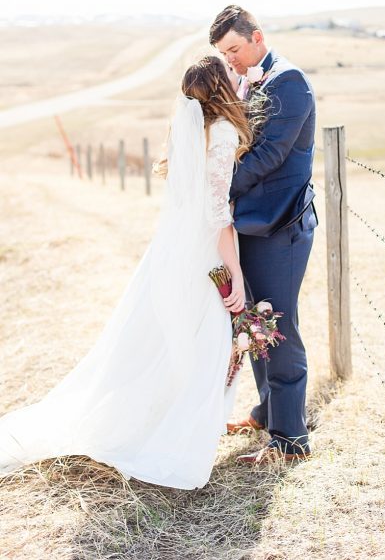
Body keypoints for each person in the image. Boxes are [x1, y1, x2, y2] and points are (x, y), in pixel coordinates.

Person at [0, 56, 254, 489]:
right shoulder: (225, 132)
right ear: (220, 87)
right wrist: (237, 275)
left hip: (173, 251)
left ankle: (158, 426)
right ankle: (172, 438)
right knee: (202, 345)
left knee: (162, 340)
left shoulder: (186, 130)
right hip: (203, 255)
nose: (236, 73)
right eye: (228, 71)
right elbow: (216, 215)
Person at [210, 5, 318, 464]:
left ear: (257, 36)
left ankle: (290, 440)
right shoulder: (249, 80)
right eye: (222, 53)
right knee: (254, 323)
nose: (230, 60)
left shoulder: (289, 83)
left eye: (234, 49)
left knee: (279, 325)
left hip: (280, 225)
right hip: (249, 225)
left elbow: (268, 156)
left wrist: (213, 190)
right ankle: (266, 412)